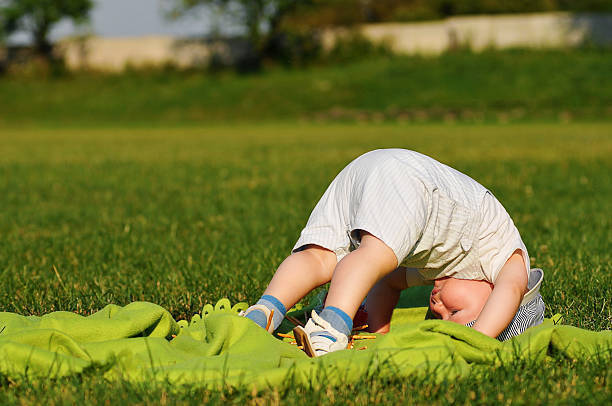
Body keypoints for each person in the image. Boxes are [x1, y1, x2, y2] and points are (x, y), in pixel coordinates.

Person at [241, 149, 545, 357]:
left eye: (436, 317)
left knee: (321, 258)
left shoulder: (447, 267)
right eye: (455, 312)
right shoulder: (506, 259)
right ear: (492, 295)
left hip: (365, 170)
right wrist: (477, 340)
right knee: (373, 256)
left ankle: (265, 310)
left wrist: (379, 332)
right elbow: (512, 291)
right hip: (413, 184)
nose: (438, 308)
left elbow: (388, 283)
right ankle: (332, 325)